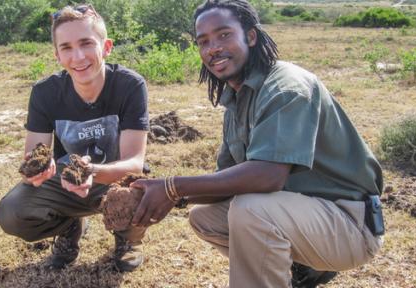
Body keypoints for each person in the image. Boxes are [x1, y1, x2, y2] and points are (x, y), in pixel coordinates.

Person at [130, 0, 384, 287]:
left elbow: (268, 176)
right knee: (205, 218)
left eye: (224, 35)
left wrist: (172, 187)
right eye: (204, 42)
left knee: (251, 210)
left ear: (250, 36)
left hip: (349, 223)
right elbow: (224, 184)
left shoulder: (287, 87)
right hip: (304, 214)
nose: (213, 48)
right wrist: (170, 197)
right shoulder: (238, 100)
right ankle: (297, 269)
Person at [0, 4, 149, 272]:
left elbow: (135, 162)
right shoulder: (45, 93)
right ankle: (69, 227)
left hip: (113, 179)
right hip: (66, 181)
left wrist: (92, 171)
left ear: (106, 47)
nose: (78, 56)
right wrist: (37, 172)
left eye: (86, 43)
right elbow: (33, 157)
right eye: (66, 47)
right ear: (57, 55)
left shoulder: (129, 85)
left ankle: (127, 241)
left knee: (140, 193)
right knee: (11, 212)